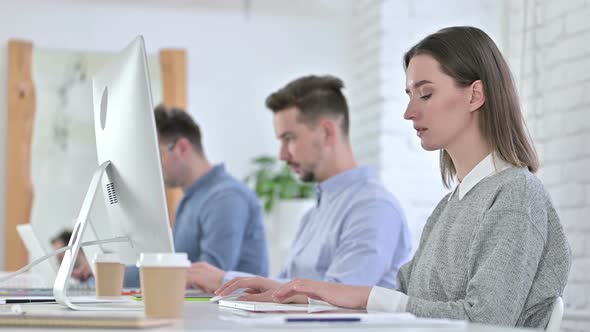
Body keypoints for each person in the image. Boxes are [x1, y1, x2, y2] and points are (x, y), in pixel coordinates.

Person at [215, 27, 572, 328]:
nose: (409, 112)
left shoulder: (516, 195)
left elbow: (487, 320)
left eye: (426, 94)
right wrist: (294, 294)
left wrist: (365, 296)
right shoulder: (451, 205)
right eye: (409, 95)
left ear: (475, 95)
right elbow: (403, 294)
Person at [187, 75, 411, 293]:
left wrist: (224, 279)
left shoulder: (374, 208)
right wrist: (223, 281)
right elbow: (283, 287)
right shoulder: (312, 215)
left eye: (289, 138)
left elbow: (338, 297)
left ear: (326, 132)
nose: (282, 155)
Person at [123, 105, 269, 287]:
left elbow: (206, 276)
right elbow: (177, 267)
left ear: (182, 147)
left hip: (231, 313)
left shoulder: (225, 198)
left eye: (156, 155)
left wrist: (118, 275)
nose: (151, 167)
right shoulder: (190, 199)